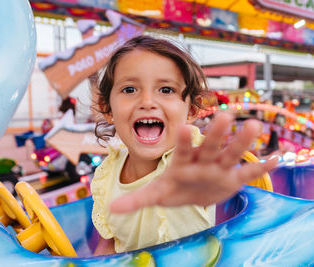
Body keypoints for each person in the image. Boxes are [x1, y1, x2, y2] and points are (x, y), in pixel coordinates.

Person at [91, 35, 277, 255]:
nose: (147, 102)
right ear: (108, 109)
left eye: (166, 90)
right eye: (130, 90)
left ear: (190, 111)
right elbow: (108, 244)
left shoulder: (190, 161)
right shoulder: (107, 173)